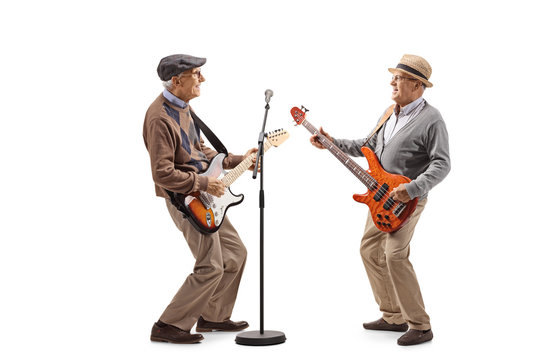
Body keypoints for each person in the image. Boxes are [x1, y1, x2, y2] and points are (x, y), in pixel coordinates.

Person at [309, 54, 450, 346]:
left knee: (395, 255)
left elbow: (441, 163)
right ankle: (393, 316)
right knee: (369, 250)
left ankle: (421, 325)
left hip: (407, 201)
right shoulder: (390, 112)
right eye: (394, 76)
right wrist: (331, 142)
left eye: (398, 77)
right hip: (380, 199)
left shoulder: (432, 119)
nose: (392, 82)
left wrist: (412, 189)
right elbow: (368, 146)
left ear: (416, 84)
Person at [143, 54, 256, 344]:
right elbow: (162, 173)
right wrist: (203, 181)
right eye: (196, 74)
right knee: (210, 266)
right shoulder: (159, 118)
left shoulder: (184, 109)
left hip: (206, 196)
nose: (202, 79)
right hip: (186, 201)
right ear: (177, 81)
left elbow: (200, 152)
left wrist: (238, 160)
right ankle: (168, 325)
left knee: (236, 254)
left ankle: (214, 316)